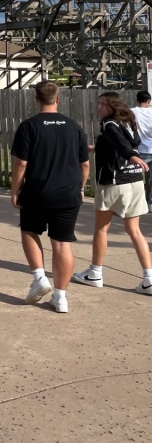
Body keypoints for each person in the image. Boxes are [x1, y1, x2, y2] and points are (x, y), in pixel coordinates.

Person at [10, 80, 90, 313]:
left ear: (36, 99)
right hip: (68, 194)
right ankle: (61, 297)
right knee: (62, 244)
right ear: (58, 99)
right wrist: (81, 188)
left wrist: (15, 189)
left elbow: (21, 163)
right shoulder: (73, 126)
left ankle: (39, 278)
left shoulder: (29, 126)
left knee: (29, 231)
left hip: (37, 191)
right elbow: (84, 164)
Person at [74, 93, 152, 296]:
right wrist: (94, 148)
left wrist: (131, 156)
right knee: (134, 230)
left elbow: (121, 144)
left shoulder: (110, 125)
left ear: (112, 106)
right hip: (135, 181)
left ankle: (95, 273)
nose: (98, 107)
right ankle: (149, 279)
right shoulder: (128, 122)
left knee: (101, 229)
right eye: (98, 103)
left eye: (103, 104)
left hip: (114, 182)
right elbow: (128, 141)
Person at [132, 90, 152, 207]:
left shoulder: (133, 111)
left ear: (137, 100)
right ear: (149, 101)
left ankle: (137, 202)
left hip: (141, 149)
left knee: (136, 177)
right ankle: (151, 202)